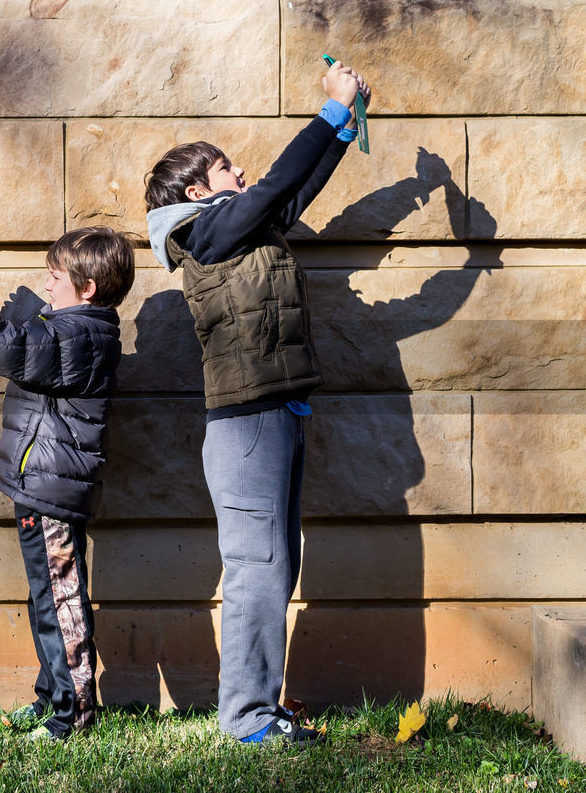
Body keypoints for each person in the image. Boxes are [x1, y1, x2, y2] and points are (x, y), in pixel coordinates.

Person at [142, 60, 371, 746]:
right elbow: (272, 186)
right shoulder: (202, 234)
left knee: (278, 568)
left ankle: (260, 709)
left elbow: (290, 188)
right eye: (227, 170)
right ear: (195, 189)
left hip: (280, 412)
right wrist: (329, 111)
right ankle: (245, 720)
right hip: (246, 423)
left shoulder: (246, 229)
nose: (240, 176)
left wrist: (344, 125)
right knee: (257, 569)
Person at [0, 226, 135, 741]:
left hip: (52, 492)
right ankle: (52, 697)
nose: (48, 283)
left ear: (87, 288)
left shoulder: (81, 334)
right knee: (46, 596)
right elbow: (21, 342)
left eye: (56, 276)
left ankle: (75, 715)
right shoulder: (71, 331)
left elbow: (7, 348)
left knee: (61, 601)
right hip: (39, 487)